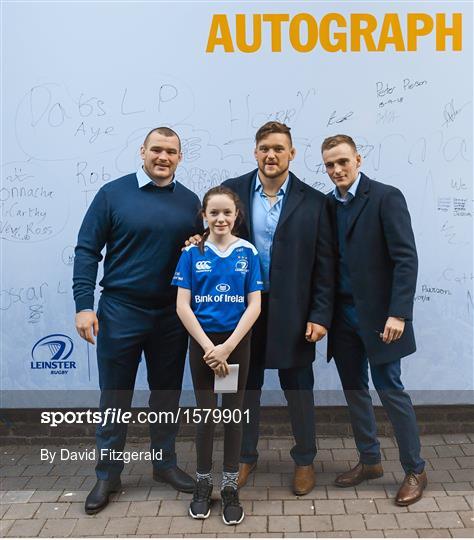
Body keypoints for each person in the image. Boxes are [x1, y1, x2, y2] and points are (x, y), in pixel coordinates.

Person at [186, 122, 334, 495]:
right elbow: (209, 234)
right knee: (244, 388)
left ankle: (304, 460)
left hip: (296, 311)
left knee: (298, 387)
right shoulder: (231, 192)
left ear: (291, 154)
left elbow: (325, 264)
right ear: (255, 152)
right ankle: (244, 457)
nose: (271, 155)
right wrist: (196, 239)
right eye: (265, 148)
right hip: (240, 310)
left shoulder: (315, 201)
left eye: (279, 149)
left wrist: (320, 314)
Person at [73, 127, 202, 515]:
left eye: (172, 152)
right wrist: (83, 305)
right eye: (157, 150)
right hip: (120, 310)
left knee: (166, 394)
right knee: (115, 396)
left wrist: (199, 244)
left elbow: (203, 254)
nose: (163, 157)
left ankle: (164, 464)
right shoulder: (113, 194)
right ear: (142, 151)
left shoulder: (190, 201)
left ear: (180, 157)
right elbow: (86, 250)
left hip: (171, 316)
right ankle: (107, 474)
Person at [322, 134, 427, 505]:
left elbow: (405, 258)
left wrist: (399, 312)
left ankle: (416, 469)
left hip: (382, 318)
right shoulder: (328, 206)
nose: (336, 170)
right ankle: (370, 461)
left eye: (342, 162)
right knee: (355, 392)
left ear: (358, 160)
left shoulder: (386, 197)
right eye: (330, 164)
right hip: (343, 318)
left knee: (391, 391)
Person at [173, 186, 262, 525]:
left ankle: (229, 487)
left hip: (235, 344)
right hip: (202, 346)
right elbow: (182, 304)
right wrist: (209, 346)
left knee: (232, 414)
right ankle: (203, 484)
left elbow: (255, 305)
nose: (221, 218)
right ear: (204, 216)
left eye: (227, 212)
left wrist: (227, 347)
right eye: (214, 213)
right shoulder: (192, 252)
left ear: (236, 215)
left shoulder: (247, 252)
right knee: (207, 414)